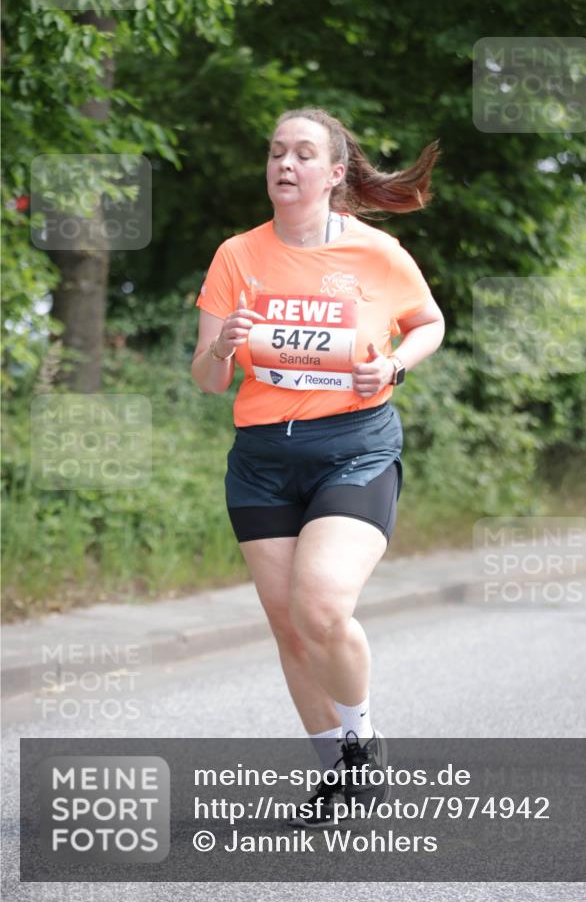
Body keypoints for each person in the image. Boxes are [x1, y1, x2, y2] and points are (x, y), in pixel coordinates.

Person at [191, 107, 445, 824]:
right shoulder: (236, 255)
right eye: (275, 152)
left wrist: (392, 367)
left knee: (322, 604)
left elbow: (428, 321)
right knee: (287, 625)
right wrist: (221, 346)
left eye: (302, 153)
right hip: (263, 460)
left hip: (354, 446)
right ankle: (337, 771)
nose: (284, 164)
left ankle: (362, 740)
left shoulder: (377, 253)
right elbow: (209, 380)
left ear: (334, 175)